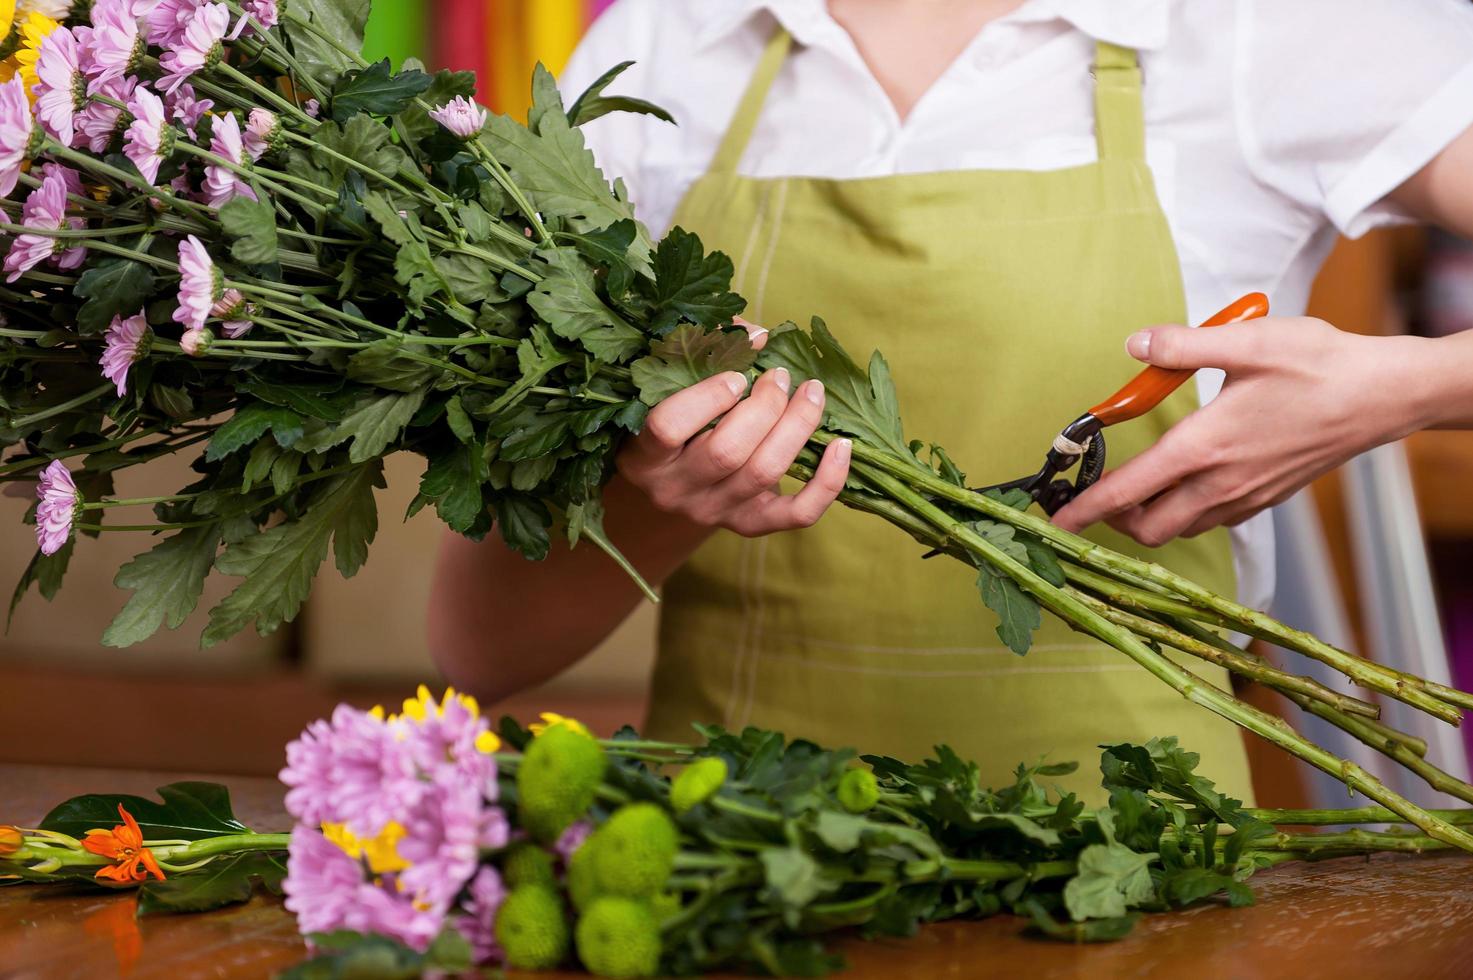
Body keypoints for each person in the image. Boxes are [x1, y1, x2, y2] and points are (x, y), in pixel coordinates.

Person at [429, 0, 1473, 800]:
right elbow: (477, 648)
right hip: (732, 868)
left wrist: (1404, 387)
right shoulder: (670, 46)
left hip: (1142, 879)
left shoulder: (1258, 26)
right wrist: (662, 494)